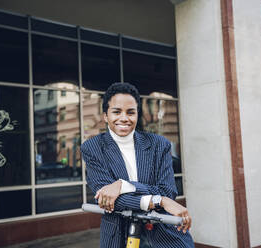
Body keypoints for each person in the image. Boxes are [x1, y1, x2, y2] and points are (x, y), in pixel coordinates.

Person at [81, 82, 194, 248]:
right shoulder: (92, 148)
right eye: (116, 112)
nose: (124, 118)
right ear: (105, 115)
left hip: (164, 234)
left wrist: (123, 185)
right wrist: (160, 200)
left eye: (130, 112)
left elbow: (167, 190)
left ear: (137, 114)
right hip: (119, 235)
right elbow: (106, 200)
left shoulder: (158, 144)